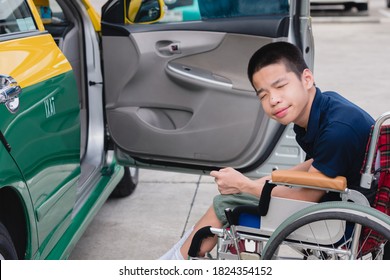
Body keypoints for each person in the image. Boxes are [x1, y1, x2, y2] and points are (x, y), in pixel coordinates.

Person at [159, 41, 375, 260]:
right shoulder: (327, 107)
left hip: (341, 220)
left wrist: (246, 185)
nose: (273, 99)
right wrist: (267, 180)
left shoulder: (338, 130)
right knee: (240, 195)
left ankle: (176, 263)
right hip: (340, 202)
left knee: (226, 204)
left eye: (280, 86)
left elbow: (305, 197)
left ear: (307, 79)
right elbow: (320, 163)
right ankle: (178, 256)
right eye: (263, 95)